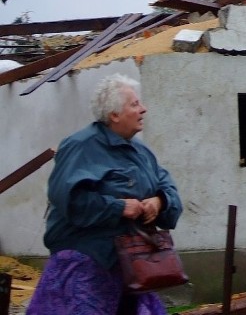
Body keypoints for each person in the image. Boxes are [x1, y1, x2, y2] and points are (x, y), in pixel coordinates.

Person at [26, 74, 183, 315]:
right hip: (86, 263)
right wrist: (118, 208)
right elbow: (68, 200)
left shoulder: (140, 151)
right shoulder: (81, 146)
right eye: (134, 104)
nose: (143, 109)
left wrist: (160, 201)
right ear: (114, 115)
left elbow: (167, 187)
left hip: (133, 267)